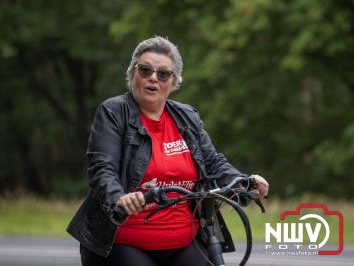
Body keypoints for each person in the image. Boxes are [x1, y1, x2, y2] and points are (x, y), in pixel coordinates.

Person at [67, 36, 269, 266]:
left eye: (163, 74)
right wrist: (119, 198)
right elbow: (102, 169)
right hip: (122, 242)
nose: (153, 77)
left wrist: (243, 181)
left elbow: (212, 162)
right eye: (145, 70)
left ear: (173, 82)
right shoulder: (114, 112)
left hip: (186, 241)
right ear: (132, 74)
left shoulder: (187, 117)